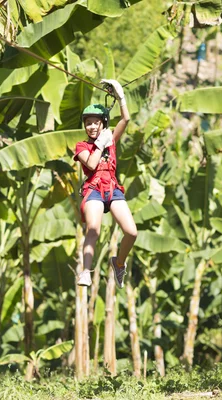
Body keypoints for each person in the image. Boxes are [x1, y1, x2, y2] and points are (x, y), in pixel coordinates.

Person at [73, 79, 137, 289]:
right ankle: (85, 271)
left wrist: (120, 97)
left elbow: (126, 118)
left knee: (132, 232)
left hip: (113, 189)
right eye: (88, 123)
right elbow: (91, 164)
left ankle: (118, 263)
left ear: (103, 123)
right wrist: (100, 144)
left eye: (95, 122)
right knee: (93, 230)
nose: (91, 127)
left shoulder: (111, 140)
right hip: (94, 190)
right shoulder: (82, 146)